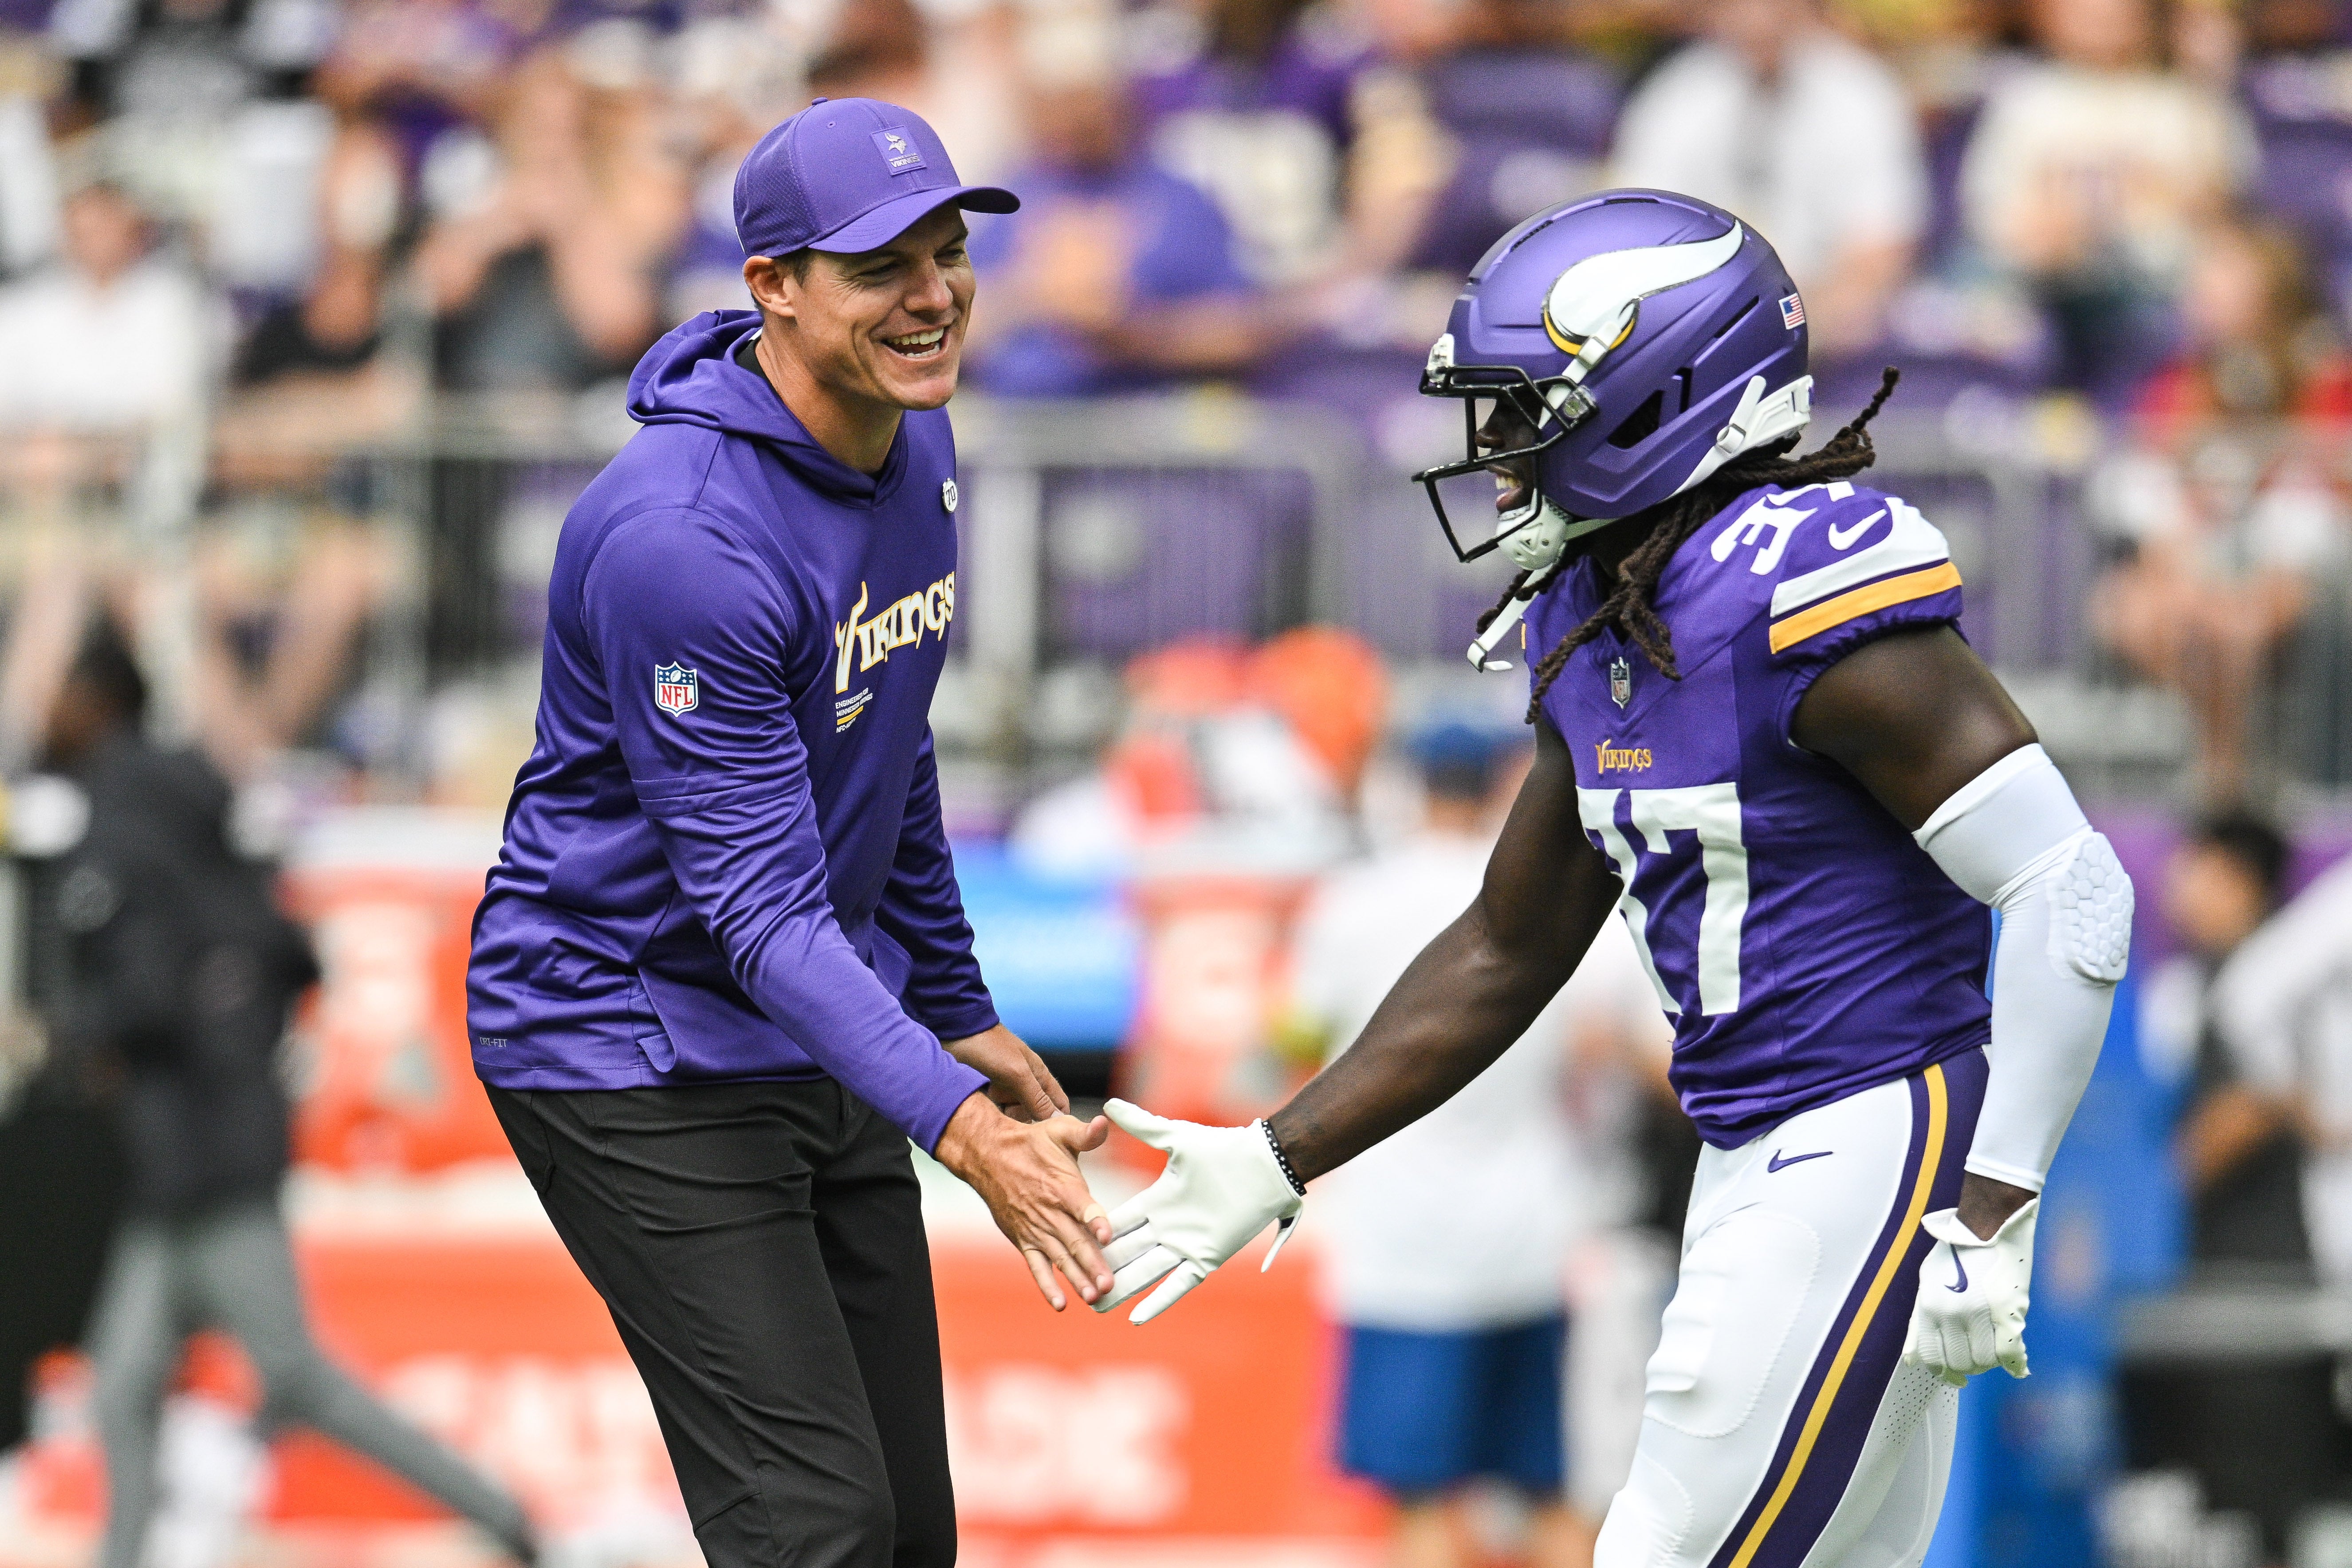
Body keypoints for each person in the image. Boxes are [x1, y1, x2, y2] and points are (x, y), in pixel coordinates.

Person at [1089, 190, 2132, 1568]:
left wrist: (1994, 1209)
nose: (1495, 457)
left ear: (1657, 396)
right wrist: (1283, 1151)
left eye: (1524, 413)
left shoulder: (1790, 592)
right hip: (1756, 1139)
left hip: (1871, 1131)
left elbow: (2072, 887)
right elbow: (1509, 941)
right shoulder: (1601, 615)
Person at [465, 98, 1116, 1568]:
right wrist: (959, 1129)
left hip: (807, 1014)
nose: (935, 293)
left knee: (909, 1535)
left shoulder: (918, 451)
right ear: (774, 289)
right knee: (816, 1527)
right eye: (885, 264)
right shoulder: (682, 538)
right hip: (625, 1041)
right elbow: (758, 912)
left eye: (949, 252)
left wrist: (951, 1009)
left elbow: (893, 746)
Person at [51, 618, 534, 1568]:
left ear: (96, 699)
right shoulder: (188, 799)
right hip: (195, 1150)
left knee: (294, 1377)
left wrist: (93, 1033)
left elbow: (147, 991)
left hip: (202, 1158)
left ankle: (507, 1517)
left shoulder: (124, 815)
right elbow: (275, 952)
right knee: (123, 1386)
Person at [1294, 718, 1642, 1568]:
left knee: (1417, 1503)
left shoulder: (1352, 904)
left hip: (1399, 1243)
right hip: (1530, 1235)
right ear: (1498, 784)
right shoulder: (1556, 896)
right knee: (1551, 1492)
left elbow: (1296, 1041)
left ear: (1409, 784)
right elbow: (1617, 1043)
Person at [1610, 0, 1927, 358]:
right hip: (1694, 336)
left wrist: (1790, 329)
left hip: (1826, 341)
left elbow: (1880, 251)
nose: (1758, 15)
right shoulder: (1675, 95)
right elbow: (1634, 239)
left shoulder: (1860, 92)